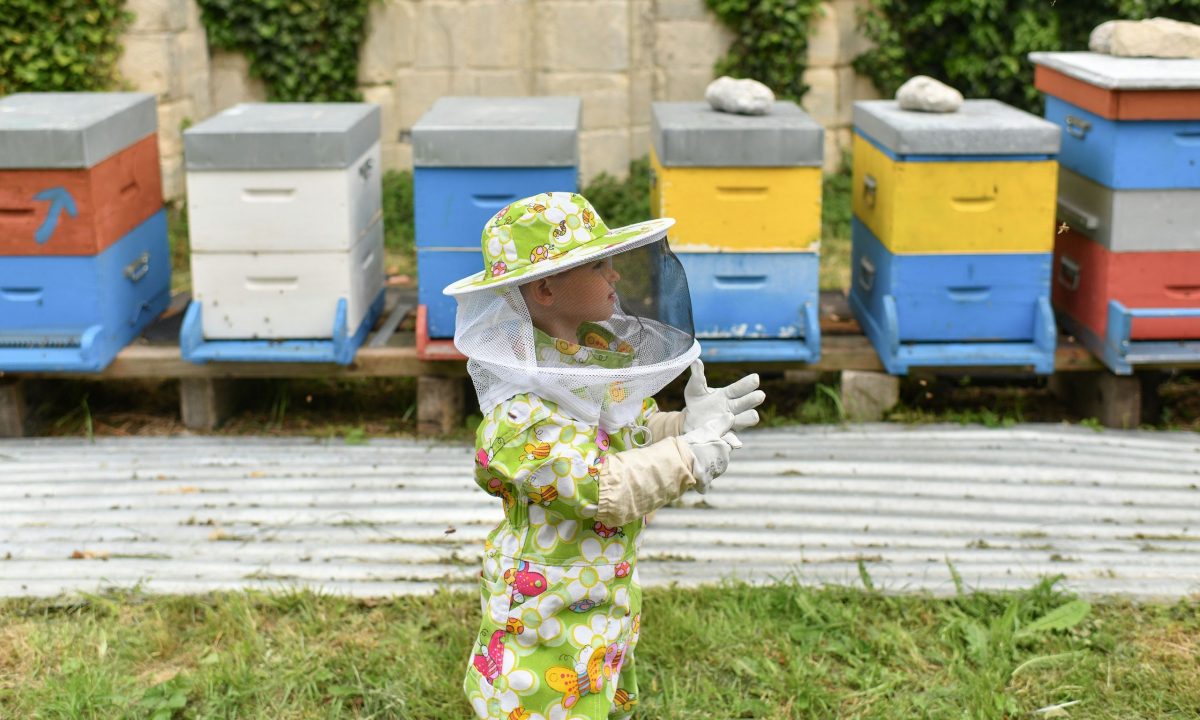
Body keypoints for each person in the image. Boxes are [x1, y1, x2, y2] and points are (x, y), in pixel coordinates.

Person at [443, 191, 764, 719]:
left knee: (595, 692)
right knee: (542, 701)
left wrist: (686, 424)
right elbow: (600, 487)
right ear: (545, 288)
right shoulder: (520, 415)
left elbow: (628, 437)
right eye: (598, 265)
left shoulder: (582, 367)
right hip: (543, 606)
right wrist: (688, 454)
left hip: (599, 588)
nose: (614, 276)